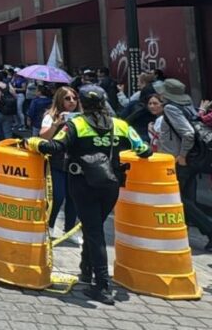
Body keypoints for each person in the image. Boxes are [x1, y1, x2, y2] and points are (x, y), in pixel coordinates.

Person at [26, 85, 151, 305]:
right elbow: (144, 150)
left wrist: (34, 142)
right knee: (93, 226)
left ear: (82, 104)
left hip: (83, 184)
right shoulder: (121, 125)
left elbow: (55, 147)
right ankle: (86, 269)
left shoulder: (76, 124)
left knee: (94, 231)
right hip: (111, 185)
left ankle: (101, 285)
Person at [155, 79, 212, 250]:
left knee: (179, 199)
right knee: (187, 198)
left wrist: (182, 155)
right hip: (194, 159)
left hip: (180, 160)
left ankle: (209, 230)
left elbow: (188, 133)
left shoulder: (170, 108)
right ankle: (182, 234)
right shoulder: (186, 105)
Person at [39, 86, 81, 244]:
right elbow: (43, 136)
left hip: (76, 164)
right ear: (59, 100)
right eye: (67, 98)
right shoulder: (51, 116)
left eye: (74, 98)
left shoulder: (81, 117)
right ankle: (48, 227)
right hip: (56, 162)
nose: (72, 101)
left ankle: (70, 230)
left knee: (74, 198)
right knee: (57, 196)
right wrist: (56, 124)